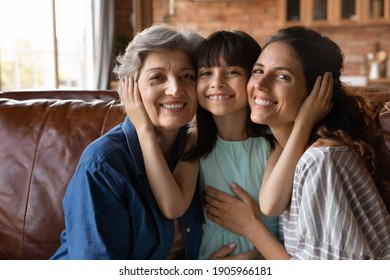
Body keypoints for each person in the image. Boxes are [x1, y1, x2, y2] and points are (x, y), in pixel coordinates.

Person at [204, 26, 390, 260]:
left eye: (283, 76)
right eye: (258, 71)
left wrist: (251, 227)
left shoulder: (321, 160)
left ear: (315, 92)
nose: (260, 85)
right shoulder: (284, 152)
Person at [50, 24, 204, 260]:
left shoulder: (198, 147)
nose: (175, 89)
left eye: (186, 76)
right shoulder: (102, 166)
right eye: (157, 77)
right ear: (130, 89)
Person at [125, 30, 279, 259]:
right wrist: (144, 130)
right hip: (212, 258)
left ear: (253, 78)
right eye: (206, 73)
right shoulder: (196, 142)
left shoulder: (273, 141)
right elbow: (173, 206)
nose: (217, 83)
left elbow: (273, 206)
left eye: (232, 72)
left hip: (267, 253)